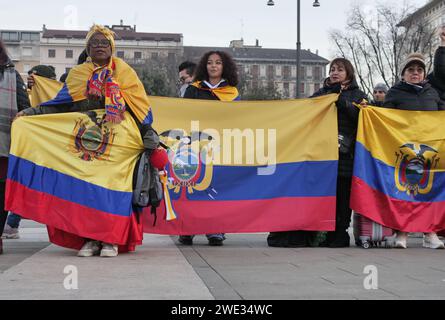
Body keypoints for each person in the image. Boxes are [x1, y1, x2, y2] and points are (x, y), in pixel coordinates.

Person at [15, 25, 159, 257]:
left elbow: (139, 106)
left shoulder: (125, 72)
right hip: (87, 142)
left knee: (113, 191)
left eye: (104, 43)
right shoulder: (78, 74)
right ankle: (91, 239)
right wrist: (30, 114)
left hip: (119, 144)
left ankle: (111, 240)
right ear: (88, 48)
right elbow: (61, 104)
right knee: (87, 192)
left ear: (112, 48)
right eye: (95, 43)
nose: (100, 46)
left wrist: (148, 131)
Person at [268, 58, 368, 248]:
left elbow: (366, 118)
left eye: (340, 69)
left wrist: (345, 105)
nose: (334, 73)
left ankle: (340, 233)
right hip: (320, 156)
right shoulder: (321, 94)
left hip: (346, 155)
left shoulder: (358, 95)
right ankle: (324, 232)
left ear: (349, 73)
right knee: (324, 195)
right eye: (332, 69)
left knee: (342, 196)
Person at [382, 53, 445, 249]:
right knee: (405, 193)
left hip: (429, 155)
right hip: (404, 153)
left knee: (430, 192)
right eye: (410, 70)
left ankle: (431, 233)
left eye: (419, 70)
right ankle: (402, 233)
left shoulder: (432, 93)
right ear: (403, 74)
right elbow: (385, 119)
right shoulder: (394, 93)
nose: (415, 73)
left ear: (424, 74)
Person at [179, 50, 240, 246]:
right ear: (204, 66)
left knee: (216, 188)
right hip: (195, 144)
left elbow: (237, 118)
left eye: (218, 63)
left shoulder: (232, 92)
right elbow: (184, 114)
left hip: (219, 146)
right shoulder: (193, 89)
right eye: (210, 63)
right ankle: (187, 229)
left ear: (225, 67)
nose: (214, 66)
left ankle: (215, 229)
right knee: (191, 185)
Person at [2, 64, 58, 240]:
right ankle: (12, 223)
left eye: (36, 77)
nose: (30, 80)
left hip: (48, 150)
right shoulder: (24, 92)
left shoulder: (56, 94)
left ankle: (12, 223)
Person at [0, 39, 31, 254]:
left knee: (1, 194)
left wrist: (24, 113)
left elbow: (25, 108)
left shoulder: (11, 74)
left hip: (2, 146)